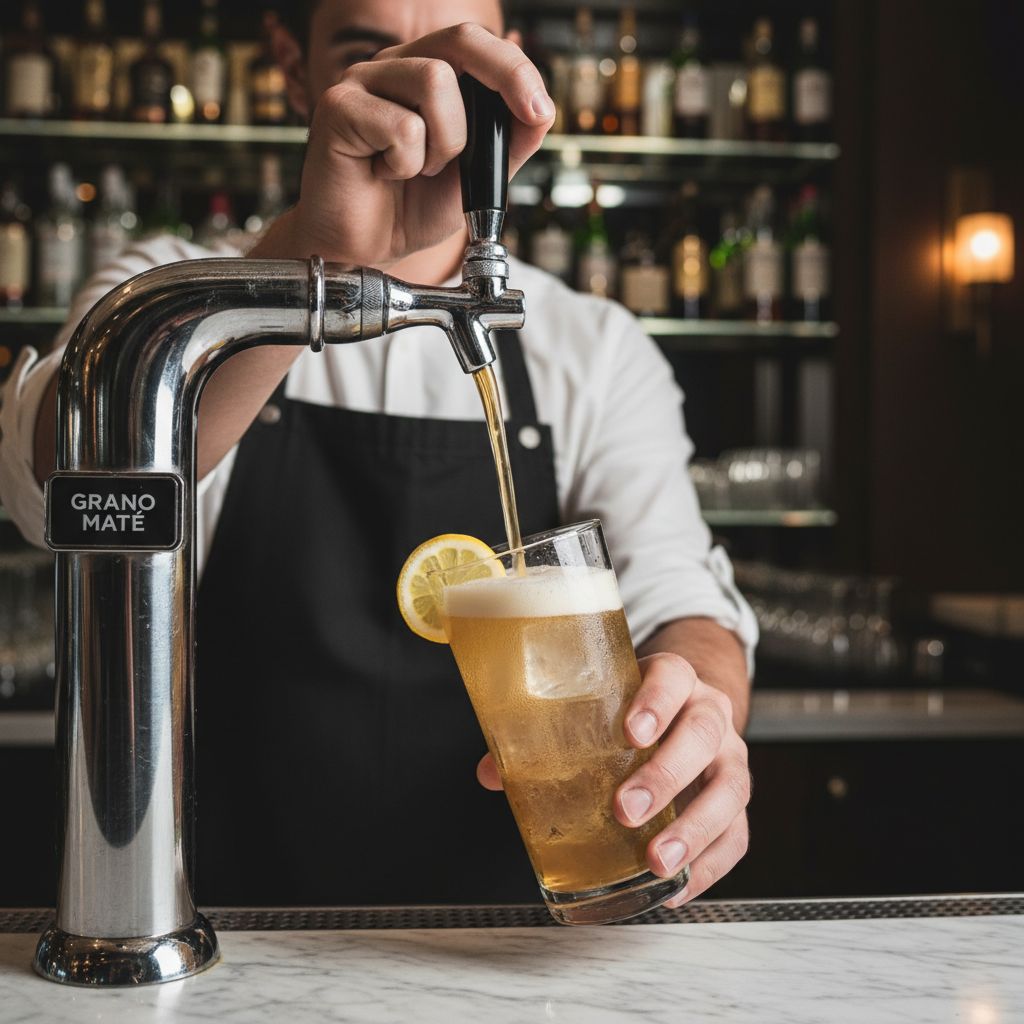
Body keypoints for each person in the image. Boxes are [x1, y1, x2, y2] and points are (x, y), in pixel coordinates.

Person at [0, 0, 757, 907]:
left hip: (513, 945)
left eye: (459, 75)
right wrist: (314, 256)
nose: (421, 106)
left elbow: (681, 601)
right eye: (372, 60)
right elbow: (59, 498)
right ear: (291, 67)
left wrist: (701, 702)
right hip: (225, 927)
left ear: (515, 79)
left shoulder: (595, 345)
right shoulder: (165, 293)